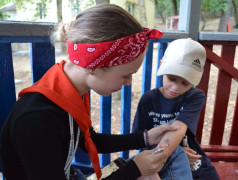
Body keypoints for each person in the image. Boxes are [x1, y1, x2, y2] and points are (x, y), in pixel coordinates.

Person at [0, 4, 182, 180]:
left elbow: (89, 140)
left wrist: (144, 138)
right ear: (93, 66)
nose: (128, 83)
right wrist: (134, 169)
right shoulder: (36, 119)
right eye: (126, 75)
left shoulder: (68, 88)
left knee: (153, 167)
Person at [132, 38, 220, 180]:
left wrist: (176, 154)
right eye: (171, 78)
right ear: (162, 66)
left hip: (191, 156)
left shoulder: (195, 97)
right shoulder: (148, 100)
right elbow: (141, 140)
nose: (176, 87)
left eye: (185, 83)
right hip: (157, 158)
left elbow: (179, 128)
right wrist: (175, 155)